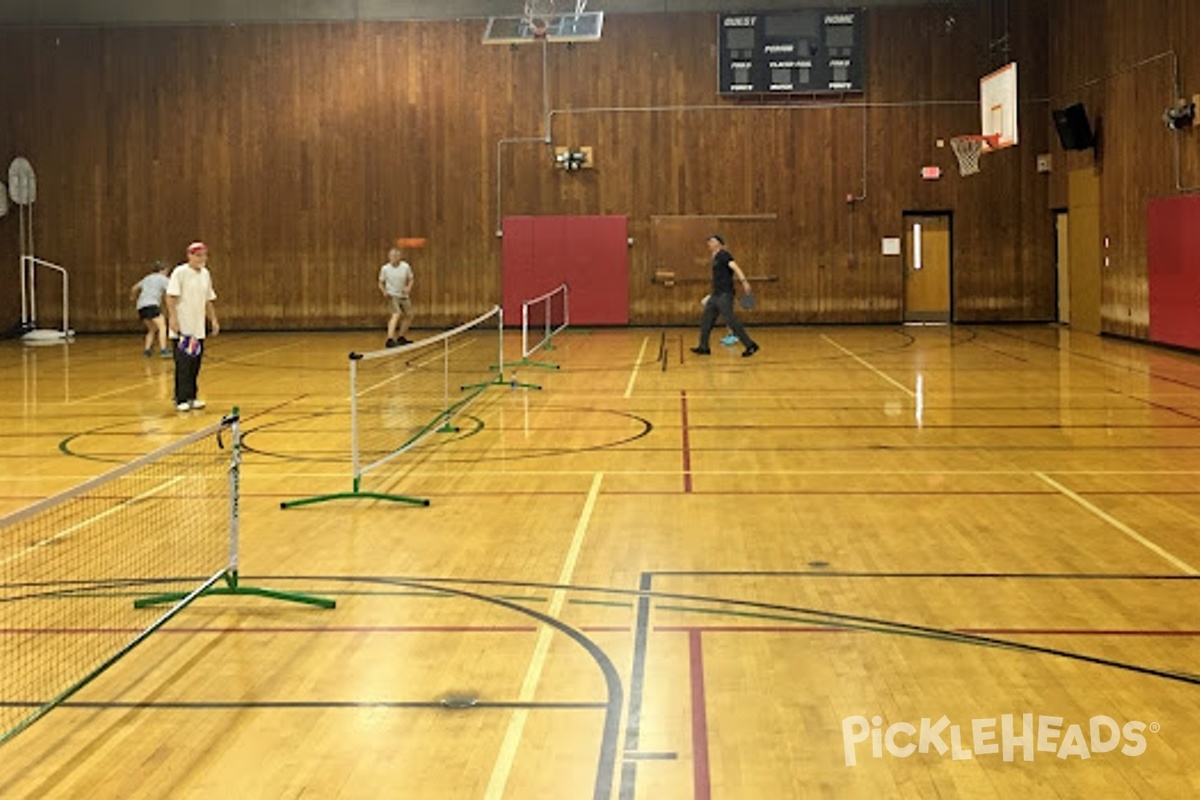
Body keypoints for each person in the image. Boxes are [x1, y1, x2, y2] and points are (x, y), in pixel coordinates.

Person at [166, 242, 219, 411]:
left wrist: (213, 320)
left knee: (195, 363)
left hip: (198, 328)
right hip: (183, 327)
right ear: (189, 256)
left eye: (204, 255)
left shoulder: (205, 274)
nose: (202, 259)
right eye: (198, 255)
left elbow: (208, 299)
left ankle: (192, 396)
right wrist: (173, 319)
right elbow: (171, 297)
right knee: (183, 364)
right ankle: (180, 398)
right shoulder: (180, 272)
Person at [692, 234, 759, 358]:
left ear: (719, 243)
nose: (709, 243)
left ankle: (750, 345)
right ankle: (704, 347)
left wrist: (744, 282)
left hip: (725, 295)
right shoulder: (715, 257)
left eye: (712, 241)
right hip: (715, 295)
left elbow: (735, 267)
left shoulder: (724, 255)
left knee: (731, 320)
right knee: (706, 320)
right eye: (709, 241)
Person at [129, 260, 171, 357]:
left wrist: (132, 297)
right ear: (162, 270)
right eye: (167, 271)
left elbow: (134, 288)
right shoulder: (163, 279)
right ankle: (163, 350)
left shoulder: (147, 278)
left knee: (152, 329)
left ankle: (147, 350)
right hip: (152, 305)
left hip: (141, 307)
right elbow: (172, 290)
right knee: (162, 327)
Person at [378, 246, 414, 348]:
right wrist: (384, 291)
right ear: (389, 257)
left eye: (396, 256)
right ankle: (389, 339)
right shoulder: (385, 269)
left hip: (403, 295)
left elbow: (411, 279)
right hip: (392, 295)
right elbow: (380, 282)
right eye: (392, 256)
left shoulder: (405, 266)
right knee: (396, 314)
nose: (394, 258)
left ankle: (401, 337)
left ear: (400, 257)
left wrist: (408, 287)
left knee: (409, 315)